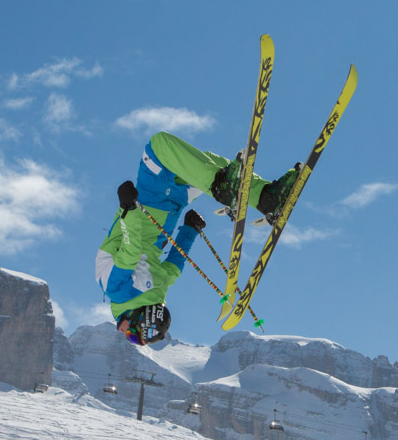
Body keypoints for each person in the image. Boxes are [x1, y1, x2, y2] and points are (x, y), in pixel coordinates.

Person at [96, 131, 299, 344]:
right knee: (158, 146)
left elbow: (172, 268)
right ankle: (224, 187)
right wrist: (129, 208)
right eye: (132, 336)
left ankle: (266, 197)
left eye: (132, 338)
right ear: (138, 319)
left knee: (211, 163)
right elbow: (131, 250)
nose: (124, 334)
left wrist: (189, 231)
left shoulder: (152, 293)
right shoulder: (116, 289)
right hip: (154, 197)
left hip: (173, 202)